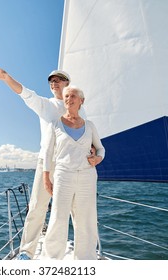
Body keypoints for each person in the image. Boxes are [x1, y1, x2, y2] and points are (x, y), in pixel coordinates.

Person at [0, 65, 87, 260]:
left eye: (59, 79)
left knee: (77, 209)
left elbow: (86, 134)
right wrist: (7, 78)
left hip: (73, 163)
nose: (54, 82)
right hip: (48, 163)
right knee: (37, 207)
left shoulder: (80, 109)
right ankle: (27, 251)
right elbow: (24, 93)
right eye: (52, 80)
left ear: (68, 83)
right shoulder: (46, 105)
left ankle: (82, 253)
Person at [42, 85, 105, 260]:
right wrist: (46, 178)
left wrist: (97, 159)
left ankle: (85, 260)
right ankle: (52, 260)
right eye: (66, 96)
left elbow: (101, 149)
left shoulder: (90, 126)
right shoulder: (55, 124)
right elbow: (47, 153)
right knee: (58, 218)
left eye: (73, 96)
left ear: (81, 101)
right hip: (63, 175)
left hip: (87, 176)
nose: (68, 99)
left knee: (86, 219)